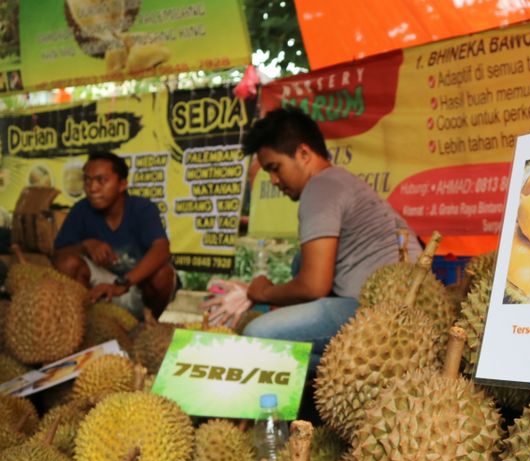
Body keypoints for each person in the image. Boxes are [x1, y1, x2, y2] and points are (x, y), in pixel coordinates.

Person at [206, 107, 422, 373]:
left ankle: (350, 374)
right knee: (300, 260)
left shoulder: (320, 188)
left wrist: (260, 291)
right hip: (404, 313)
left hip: (378, 314)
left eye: (275, 168)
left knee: (258, 334)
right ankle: (351, 373)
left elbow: (313, 285)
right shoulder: (343, 181)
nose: (273, 180)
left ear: (304, 154)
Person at [53, 150, 175, 319]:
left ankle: (148, 325)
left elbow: (162, 249)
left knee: (164, 274)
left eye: (101, 180)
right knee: (68, 263)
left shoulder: (142, 208)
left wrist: (123, 283)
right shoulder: (80, 210)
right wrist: (85, 245)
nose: (92, 188)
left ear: (122, 185)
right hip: (98, 290)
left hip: (135, 286)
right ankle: (88, 322)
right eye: (87, 180)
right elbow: (58, 255)